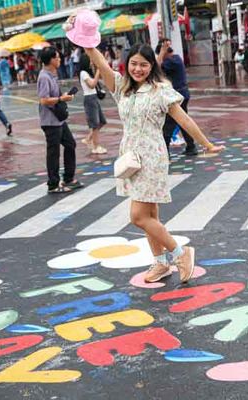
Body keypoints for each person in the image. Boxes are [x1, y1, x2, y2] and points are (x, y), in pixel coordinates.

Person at [75, 19, 224, 284]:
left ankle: (180, 253)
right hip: (131, 157)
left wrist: (206, 144)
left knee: (138, 216)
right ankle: (160, 263)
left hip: (153, 157)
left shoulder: (160, 90)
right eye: (134, 63)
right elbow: (98, 61)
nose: (138, 68)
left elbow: (183, 119)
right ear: (128, 64)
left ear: (151, 66)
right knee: (151, 216)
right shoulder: (122, 88)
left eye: (144, 64)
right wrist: (85, 38)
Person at [37, 46, 83, 194]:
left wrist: (62, 96)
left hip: (58, 120)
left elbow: (52, 96)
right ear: (50, 60)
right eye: (57, 57)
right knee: (53, 152)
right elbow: (44, 100)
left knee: (70, 144)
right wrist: (60, 98)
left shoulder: (51, 74)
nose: (59, 60)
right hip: (50, 121)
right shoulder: (44, 76)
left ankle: (68, 178)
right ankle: (53, 184)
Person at [156, 38, 199, 156]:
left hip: (178, 97)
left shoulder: (172, 61)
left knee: (169, 125)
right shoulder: (176, 59)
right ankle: (191, 146)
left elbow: (156, 67)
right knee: (182, 121)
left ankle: (165, 152)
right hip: (182, 94)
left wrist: (161, 52)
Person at [79, 54, 107, 154]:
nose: (91, 62)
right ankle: (96, 146)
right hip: (89, 98)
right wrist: (98, 72)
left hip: (94, 97)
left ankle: (88, 139)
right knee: (95, 124)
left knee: (102, 121)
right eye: (90, 60)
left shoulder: (88, 72)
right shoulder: (83, 73)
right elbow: (92, 85)